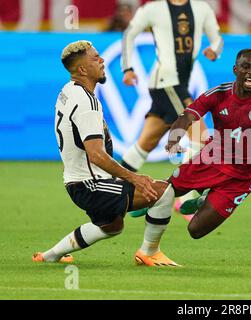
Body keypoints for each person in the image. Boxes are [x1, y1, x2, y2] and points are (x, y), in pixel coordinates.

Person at [32, 40, 180, 267]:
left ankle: (50, 255)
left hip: (76, 182)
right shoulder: (87, 103)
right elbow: (96, 155)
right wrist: (134, 178)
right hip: (90, 184)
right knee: (163, 192)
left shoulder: (67, 91)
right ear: (82, 70)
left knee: (112, 225)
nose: (102, 61)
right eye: (95, 58)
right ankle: (149, 252)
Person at [154, 48, 251, 242]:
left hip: (242, 176)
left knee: (196, 230)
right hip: (211, 160)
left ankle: (204, 200)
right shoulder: (218, 94)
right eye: (246, 67)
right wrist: (174, 138)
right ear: (235, 69)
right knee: (164, 192)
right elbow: (189, 115)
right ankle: (138, 216)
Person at [120, 0, 223, 211]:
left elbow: (217, 38)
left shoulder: (201, 9)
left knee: (146, 143)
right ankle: (183, 198)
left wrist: (214, 50)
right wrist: (127, 68)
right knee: (202, 138)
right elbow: (129, 33)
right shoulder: (153, 9)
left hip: (177, 84)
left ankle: (116, 190)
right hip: (166, 82)